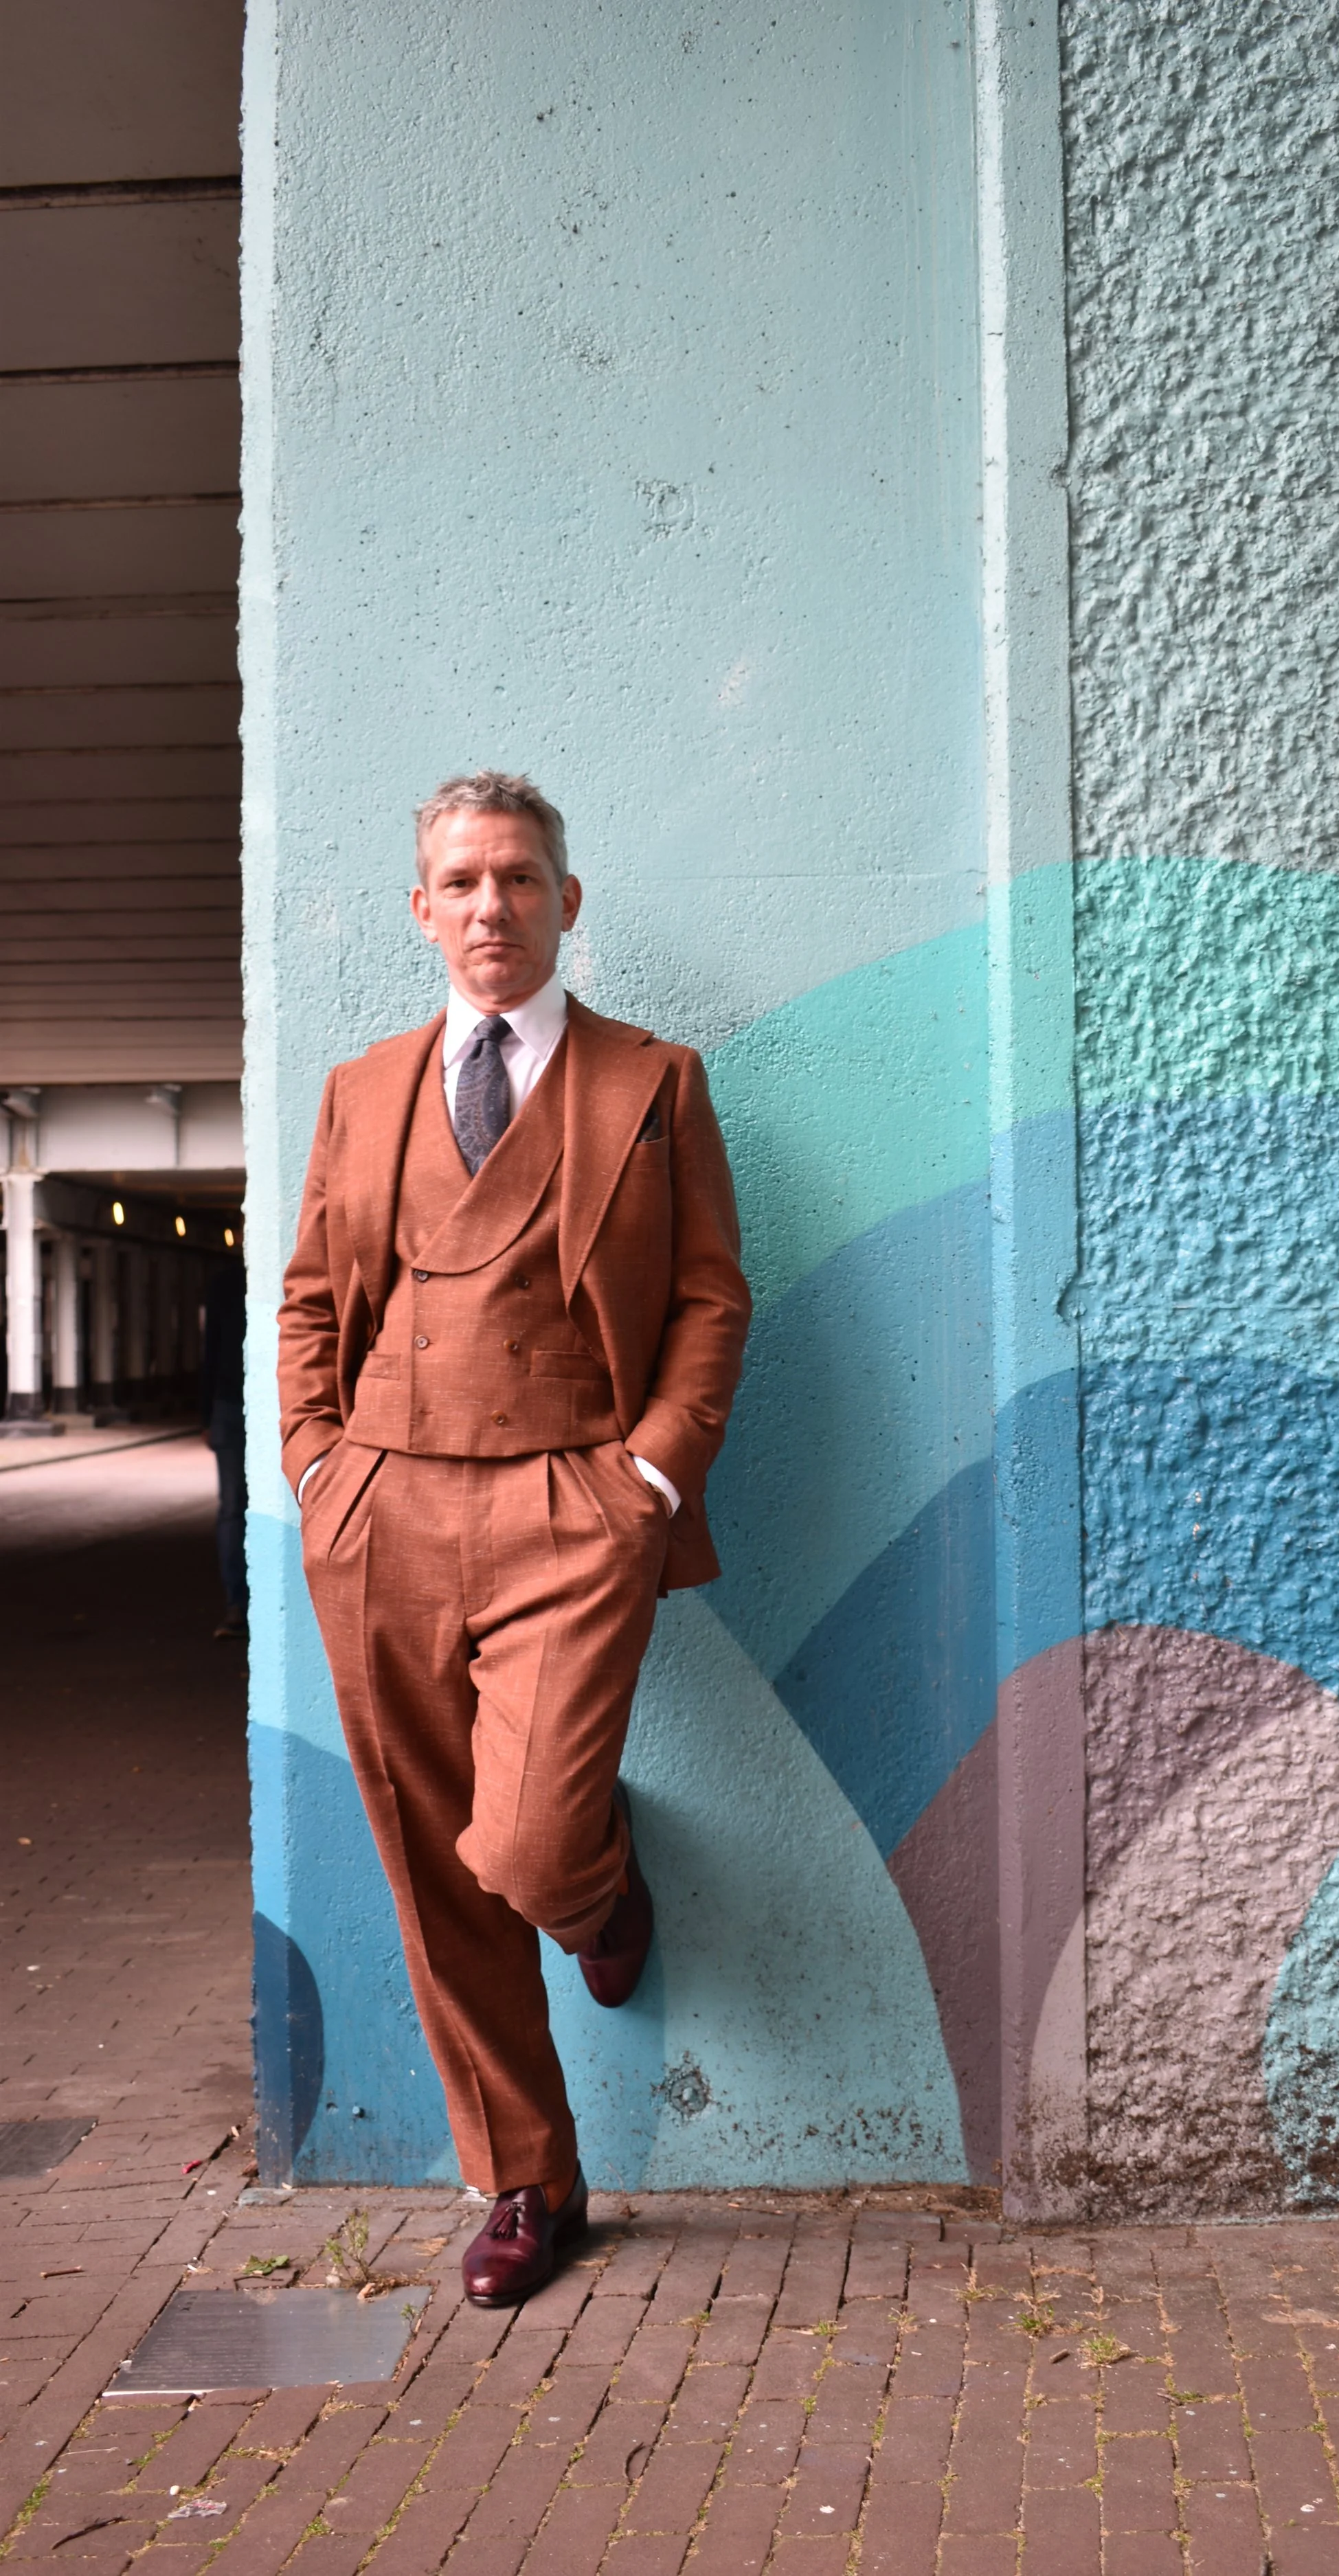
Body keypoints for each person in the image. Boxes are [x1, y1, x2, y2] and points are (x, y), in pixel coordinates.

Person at [277, 771, 750, 2305]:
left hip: (573, 1507)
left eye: (520, 879)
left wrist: (651, 1483)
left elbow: (706, 1299)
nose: (492, 905)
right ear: (423, 909)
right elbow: (304, 1303)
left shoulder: (651, 1084)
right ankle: (529, 2178)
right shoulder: (360, 1090)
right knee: (433, 1863)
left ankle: (597, 1888)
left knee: (527, 1845)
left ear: (566, 900)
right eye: (463, 882)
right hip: (382, 1509)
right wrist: (315, 1472)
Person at [201, 1254, 247, 1638]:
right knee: (235, 1508)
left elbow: (210, 1351)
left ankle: (239, 1605)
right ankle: (241, 1602)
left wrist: (205, 1416)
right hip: (236, 1405)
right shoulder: (228, 1283)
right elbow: (212, 1349)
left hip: (229, 1405)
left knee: (232, 1508)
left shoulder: (223, 1283)